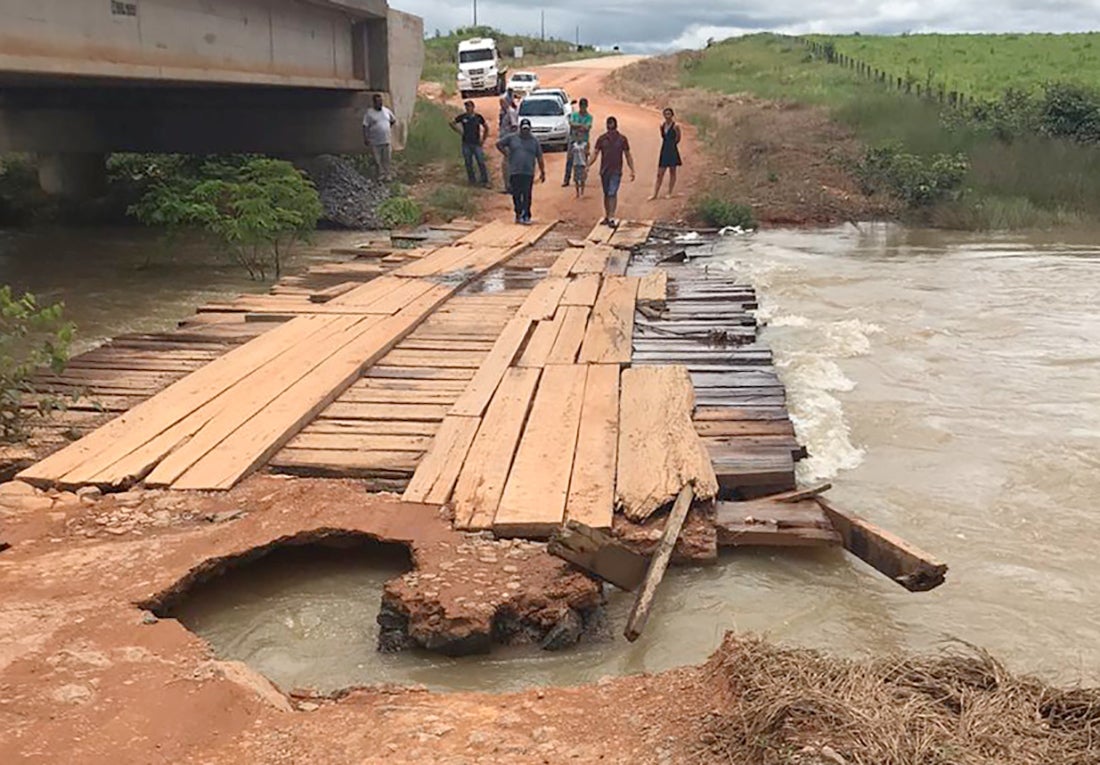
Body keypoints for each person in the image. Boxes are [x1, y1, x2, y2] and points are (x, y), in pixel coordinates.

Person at [496, 118, 546, 225]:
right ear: (520, 128)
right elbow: (499, 144)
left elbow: (540, 157)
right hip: (515, 171)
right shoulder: (512, 138)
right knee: (516, 194)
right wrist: (506, 153)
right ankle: (518, 213)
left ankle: (526, 215)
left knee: (527, 194)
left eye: (527, 129)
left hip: (528, 172)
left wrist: (542, 171)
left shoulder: (534, 141)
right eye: (523, 129)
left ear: (530, 129)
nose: (525, 131)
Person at [588, 116, 635, 227]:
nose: (610, 127)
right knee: (606, 193)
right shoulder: (602, 139)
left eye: (612, 125)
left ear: (616, 126)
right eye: (609, 125)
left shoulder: (622, 139)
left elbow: (628, 155)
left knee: (612, 193)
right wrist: (588, 165)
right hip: (605, 170)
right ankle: (607, 215)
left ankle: (612, 217)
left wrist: (632, 169)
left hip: (616, 170)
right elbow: (595, 153)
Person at [451, 100, 490, 186]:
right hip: (466, 143)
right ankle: (472, 180)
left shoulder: (478, 117)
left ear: (473, 107)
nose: (468, 109)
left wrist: (483, 139)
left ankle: (485, 180)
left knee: (481, 162)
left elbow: (486, 127)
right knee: (468, 162)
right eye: (466, 107)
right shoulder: (463, 117)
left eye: (469, 107)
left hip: (476, 143)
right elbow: (452, 123)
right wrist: (460, 131)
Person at [362, 93, 397, 181]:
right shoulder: (369, 113)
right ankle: (381, 175)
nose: (380, 103)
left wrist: (386, 128)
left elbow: (393, 120)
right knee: (377, 160)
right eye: (378, 102)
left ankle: (387, 174)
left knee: (387, 159)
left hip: (386, 139)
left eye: (381, 101)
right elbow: (365, 126)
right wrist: (366, 137)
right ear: (374, 103)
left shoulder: (386, 111)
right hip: (375, 141)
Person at [650, 107, 682, 200]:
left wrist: (673, 145)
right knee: (660, 173)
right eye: (666, 114)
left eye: (669, 114)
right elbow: (663, 136)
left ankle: (669, 192)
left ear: (672, 115)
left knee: (672, 171)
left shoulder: (676, 126)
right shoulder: (662, 125)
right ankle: (655, 194)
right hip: (664, 149)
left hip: (672, 149)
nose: (667, 116)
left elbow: (678, 138)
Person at [562, 97, 593, 187]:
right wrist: (582, 126)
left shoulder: (589, 117)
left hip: (584, 141)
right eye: (581, 106)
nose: (583, 108)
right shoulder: (575, 115)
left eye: (584, 106)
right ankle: (566, 179)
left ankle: (582, 179)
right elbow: (572, 124)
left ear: (586, 106)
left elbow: (587, 127)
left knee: (583, 161)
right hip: (573, 140)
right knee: (570, 160)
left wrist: (577, 126)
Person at [498, 93, 520, 193]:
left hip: (509, 142)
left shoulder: (511, 112)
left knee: (507, 164)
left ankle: (510, 186)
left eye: (502, 102)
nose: (501, 104)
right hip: (506, 141)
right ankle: (509, 186)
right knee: (506, 165)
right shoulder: (504, 112)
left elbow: (514, 127)